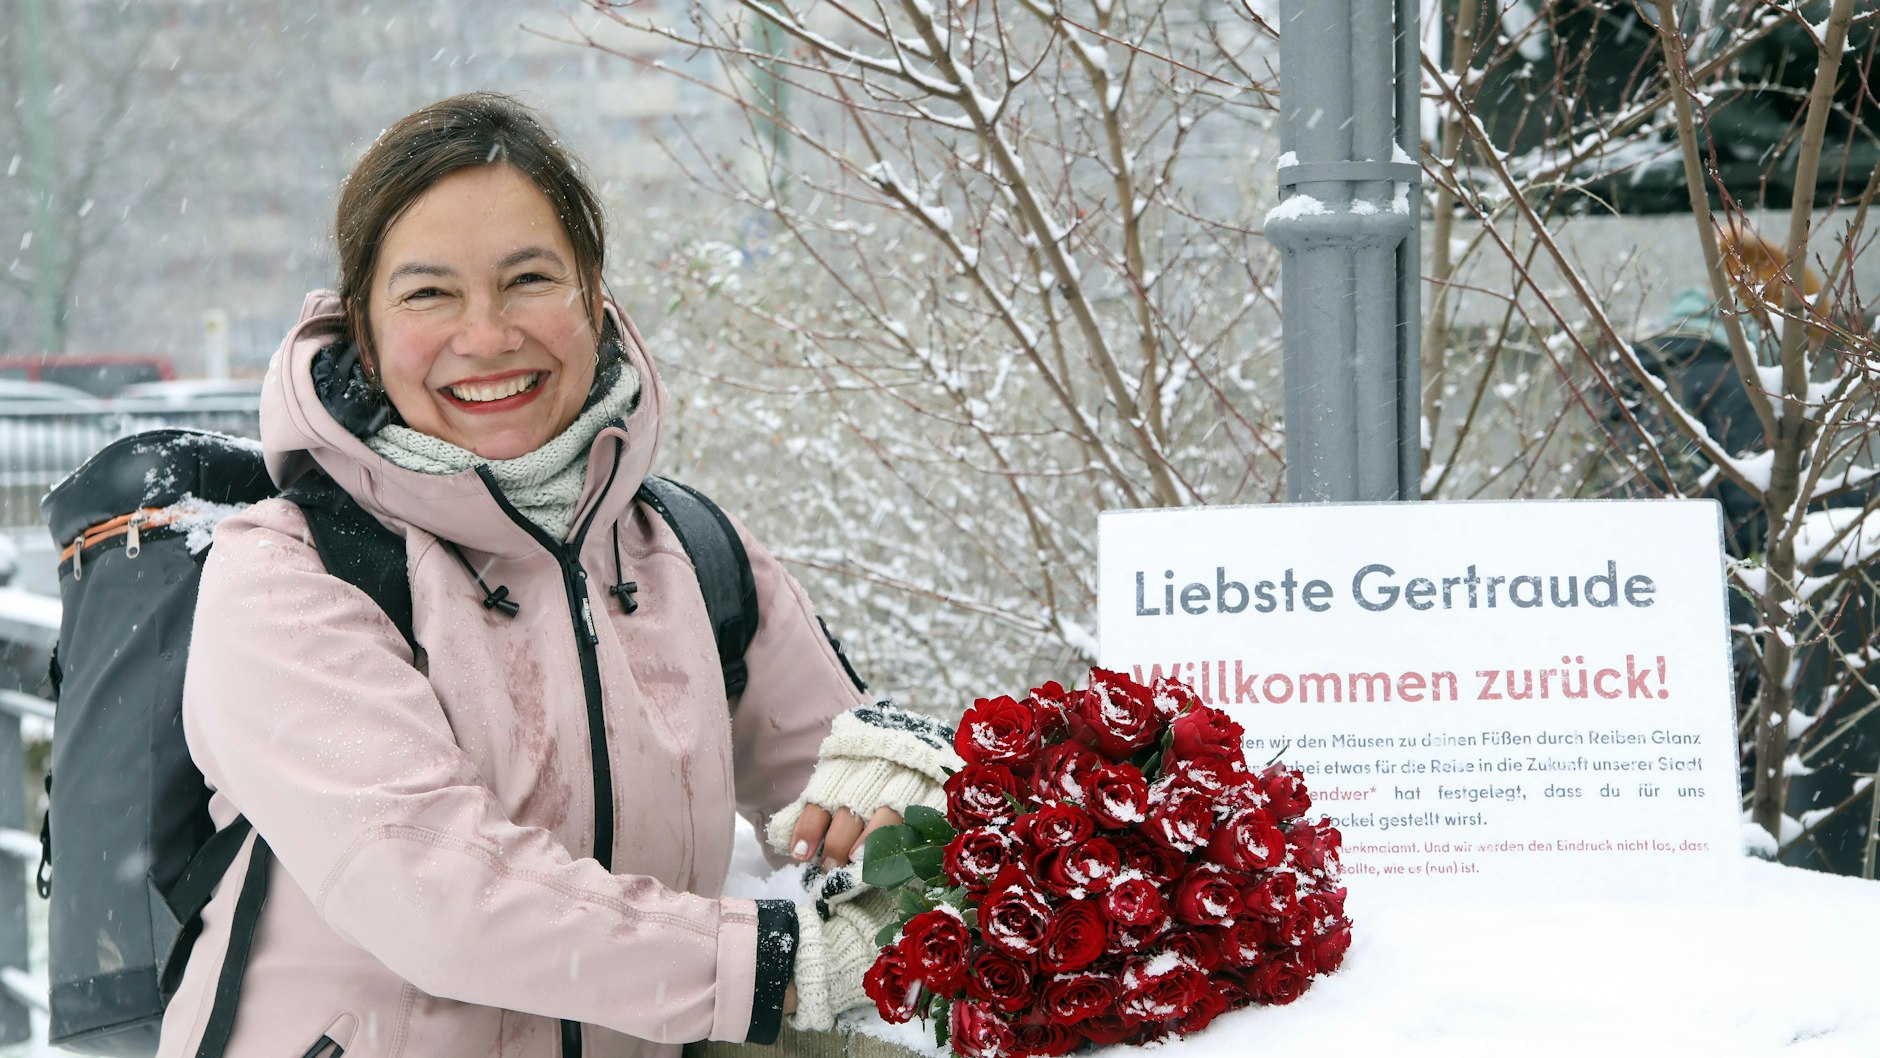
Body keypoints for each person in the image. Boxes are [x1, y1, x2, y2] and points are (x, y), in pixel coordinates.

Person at [160, 93, 953, 1058]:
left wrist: (905, 794)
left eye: (528, 278)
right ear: (363, 330)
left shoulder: (694, 555)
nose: (487, 336)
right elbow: (442, 898)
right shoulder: (293, 574)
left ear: (594, 297)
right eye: (428, 293)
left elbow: (844, 794)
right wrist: (770, 964)